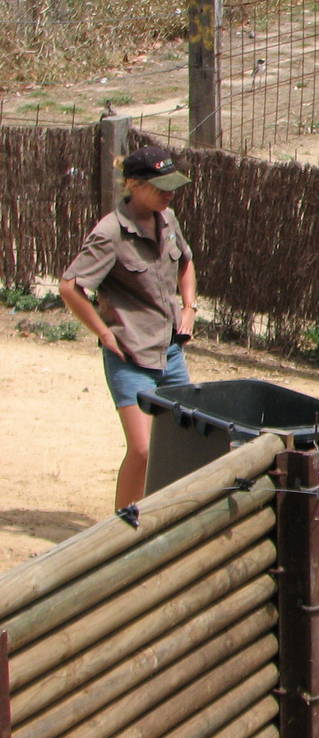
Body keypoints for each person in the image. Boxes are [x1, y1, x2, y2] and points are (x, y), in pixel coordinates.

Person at [59, 145, 197, 511]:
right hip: (130, 355)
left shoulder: (167, 219)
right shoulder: (110, 234)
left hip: (170, 351)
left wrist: (189, 307)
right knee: (143, 448)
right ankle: (121, 527)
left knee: (181, 442)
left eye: (172, 185)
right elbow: (70, 287)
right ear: (134, 185)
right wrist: (104, 334)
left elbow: (186, 263)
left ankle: (164, 515)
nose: (170, 193)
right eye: (161, 186)